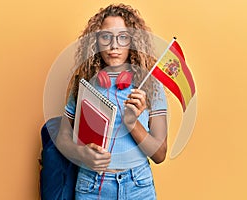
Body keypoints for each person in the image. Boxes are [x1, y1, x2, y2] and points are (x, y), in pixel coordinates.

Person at [56, 4, 168, 200]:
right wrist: (81, 153)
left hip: (138, 186)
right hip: (91, 185)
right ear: (96, 42)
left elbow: (159, 155)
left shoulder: (151, 85)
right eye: (106, 37)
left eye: (123, 37)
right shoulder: (83, 81)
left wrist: (132, 124)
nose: (114, 46)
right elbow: (62, 139)